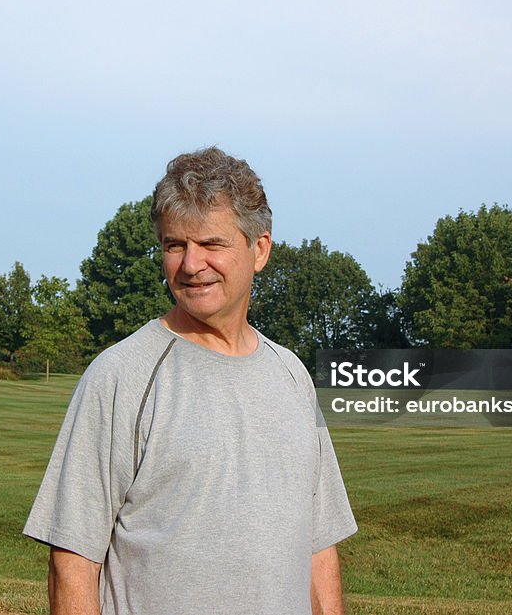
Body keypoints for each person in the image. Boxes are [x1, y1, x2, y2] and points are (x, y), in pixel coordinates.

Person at [24, 148, 357, 615]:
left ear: (259, 249)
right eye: (174, 245)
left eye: (211, 244)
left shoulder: (292, 376)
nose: (190, 264)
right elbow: (73, 561)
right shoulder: (122, 375)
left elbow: (319, 548)